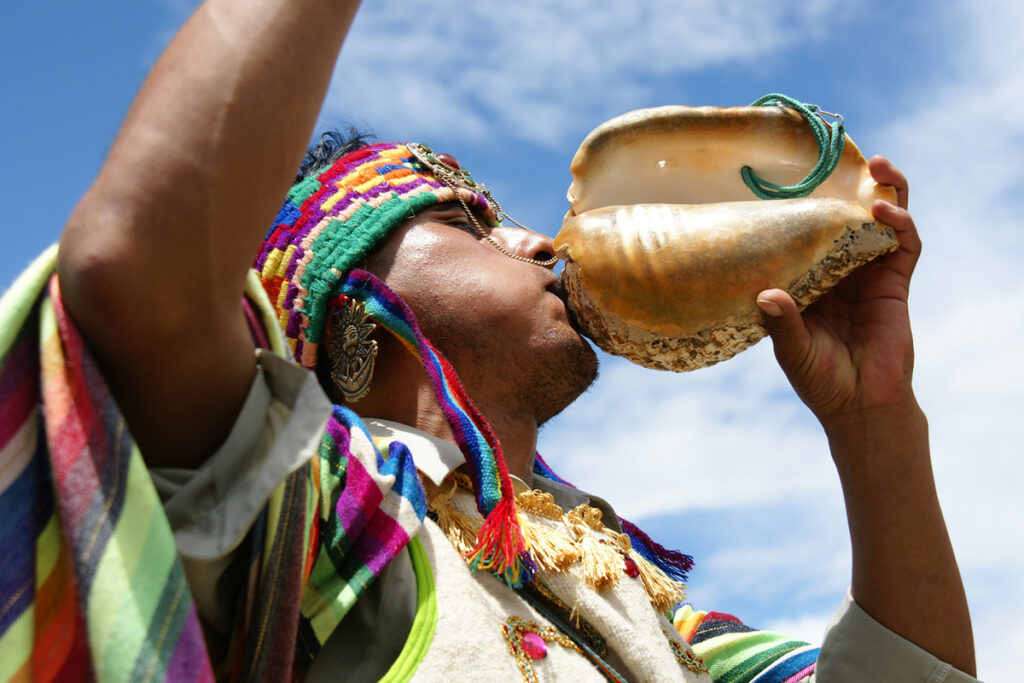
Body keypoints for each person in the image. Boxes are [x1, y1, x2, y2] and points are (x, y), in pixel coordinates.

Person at [0, 0, 978, 680]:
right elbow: (136, 270)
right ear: (349, 294)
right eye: (468, 222)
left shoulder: (637, 599)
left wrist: (874, 418)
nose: (535, 240)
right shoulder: (301, 505)